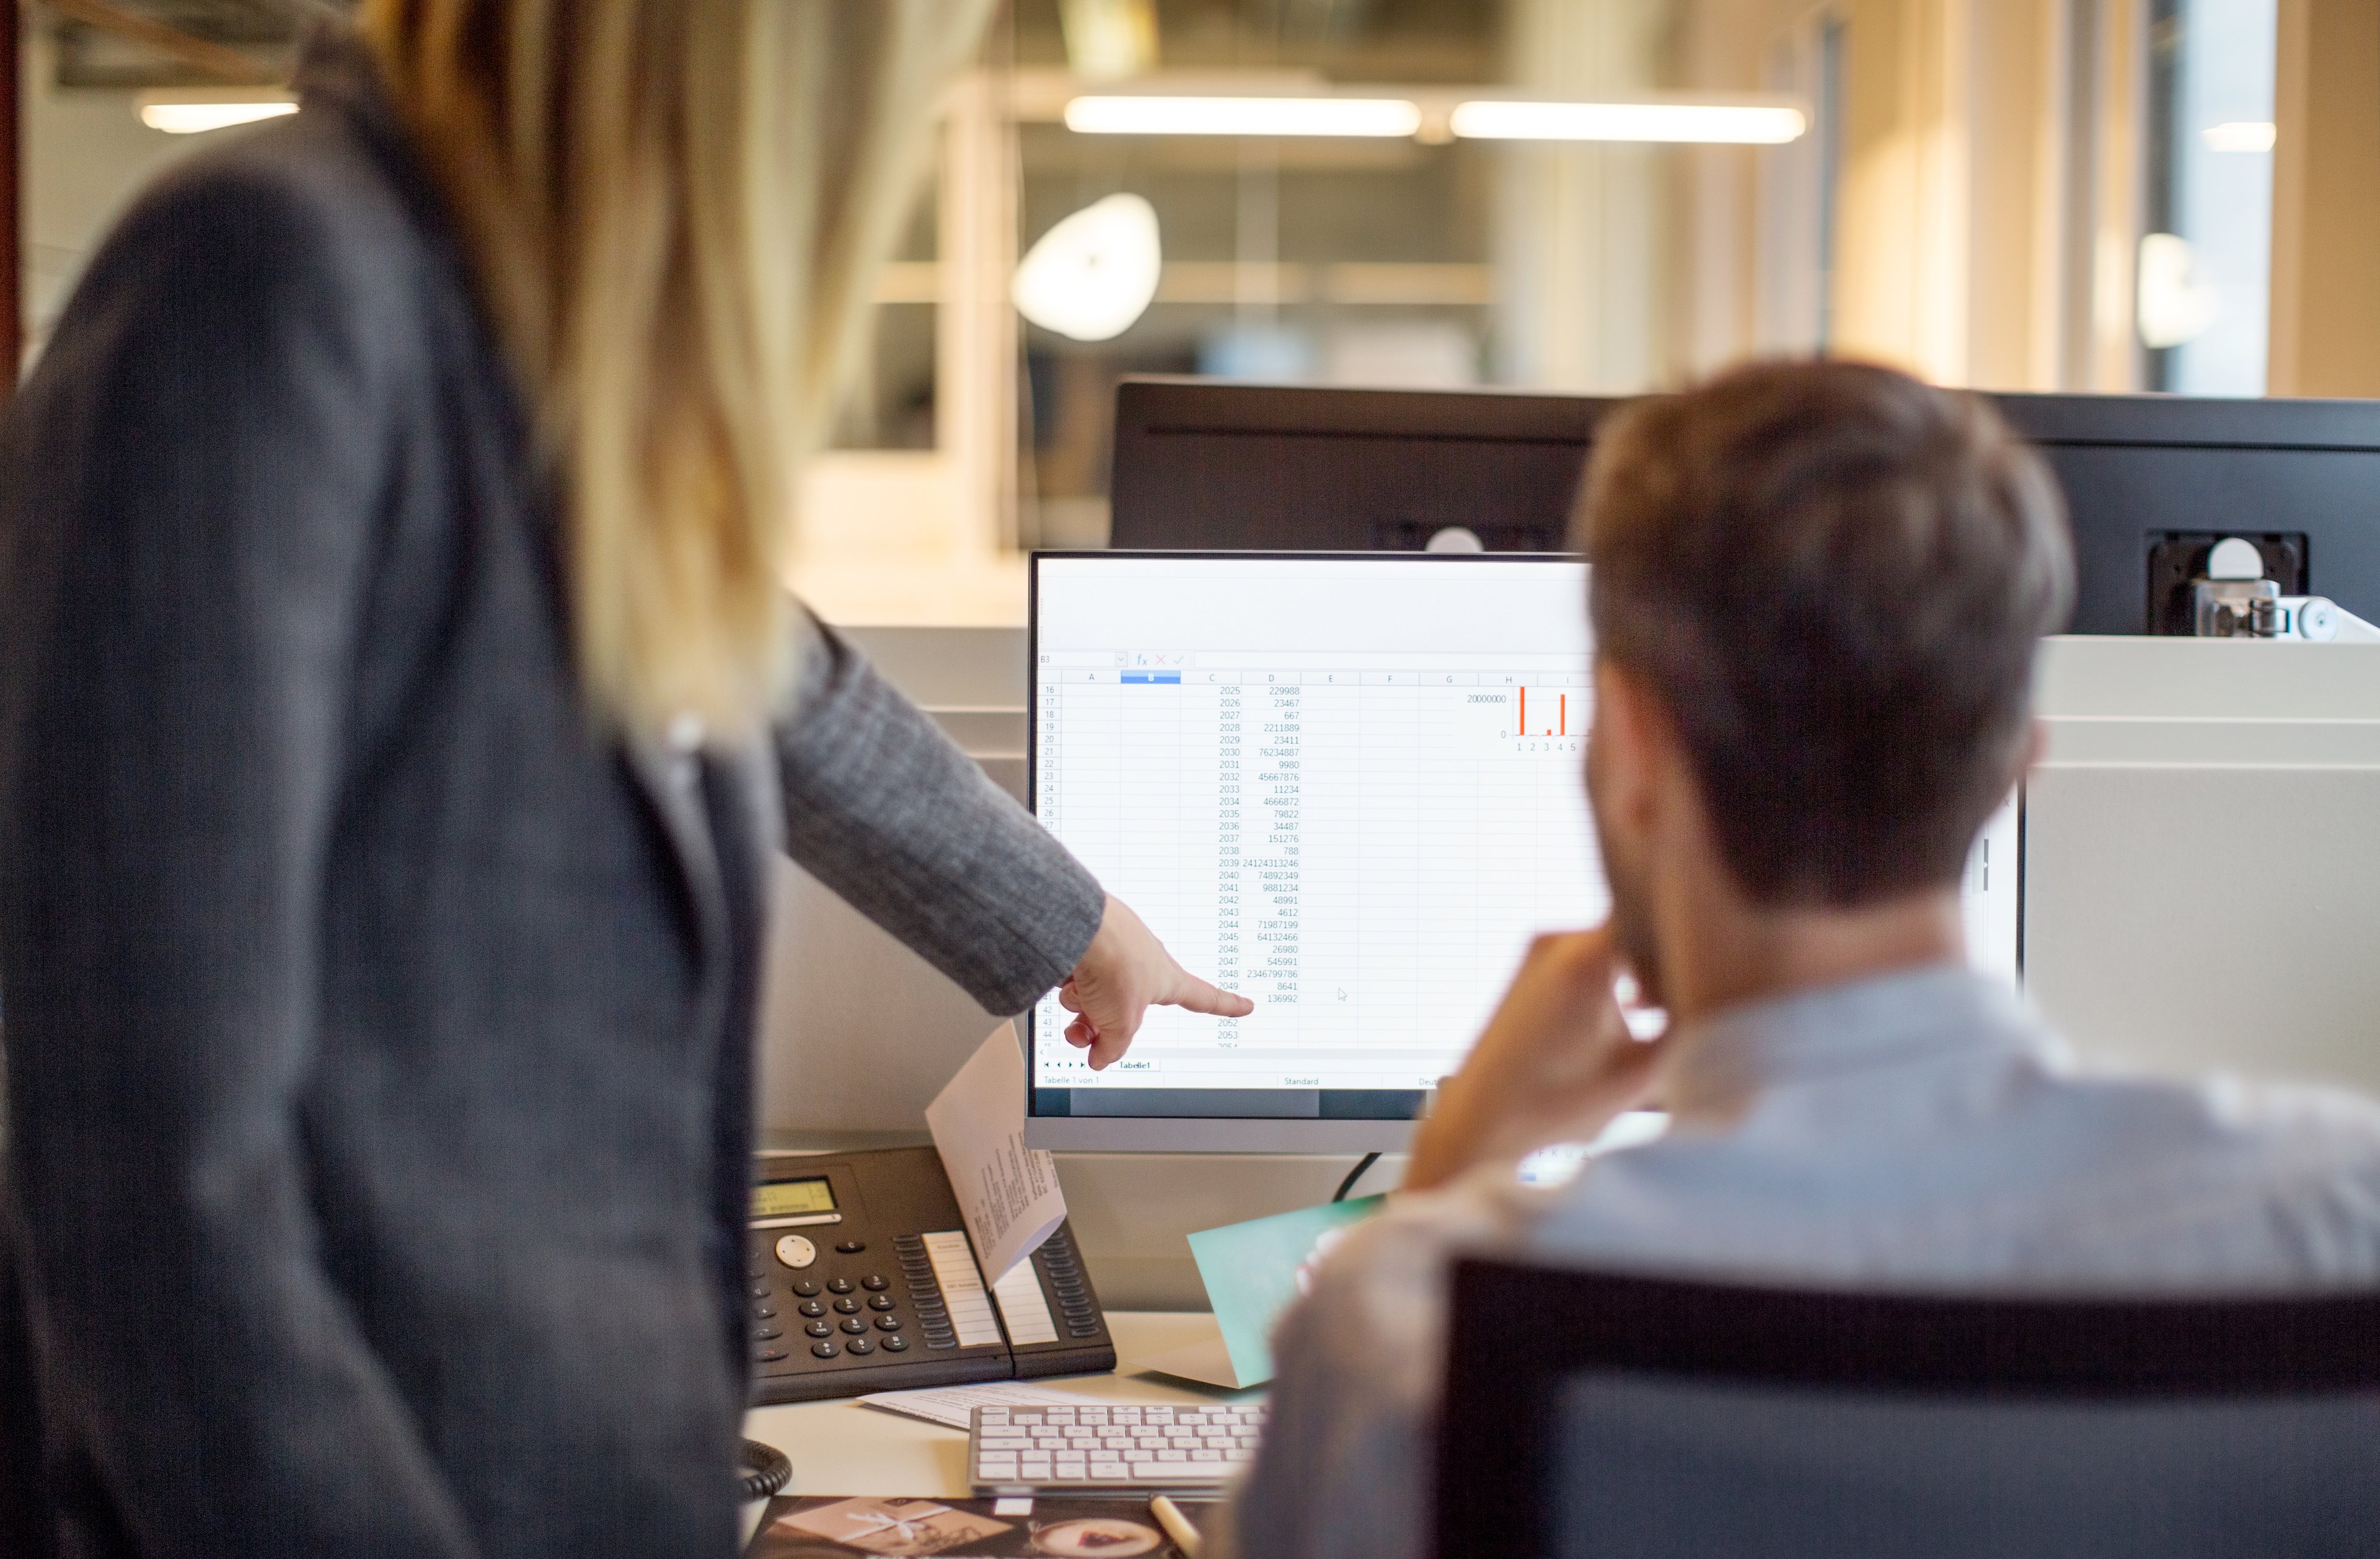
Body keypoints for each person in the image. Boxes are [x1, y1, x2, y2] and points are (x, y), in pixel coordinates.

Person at [0, 6, 1246, 1558]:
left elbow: (762, 663)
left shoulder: (528, 325)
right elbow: (148, 1198)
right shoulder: (266, 283)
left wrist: (1073, 919)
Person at [1220, 360, 2380, 1559]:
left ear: (1630, 751)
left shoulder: (1408, 1322)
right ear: (2012, 766)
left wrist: (1444, 1192)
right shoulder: (2344, 1219)